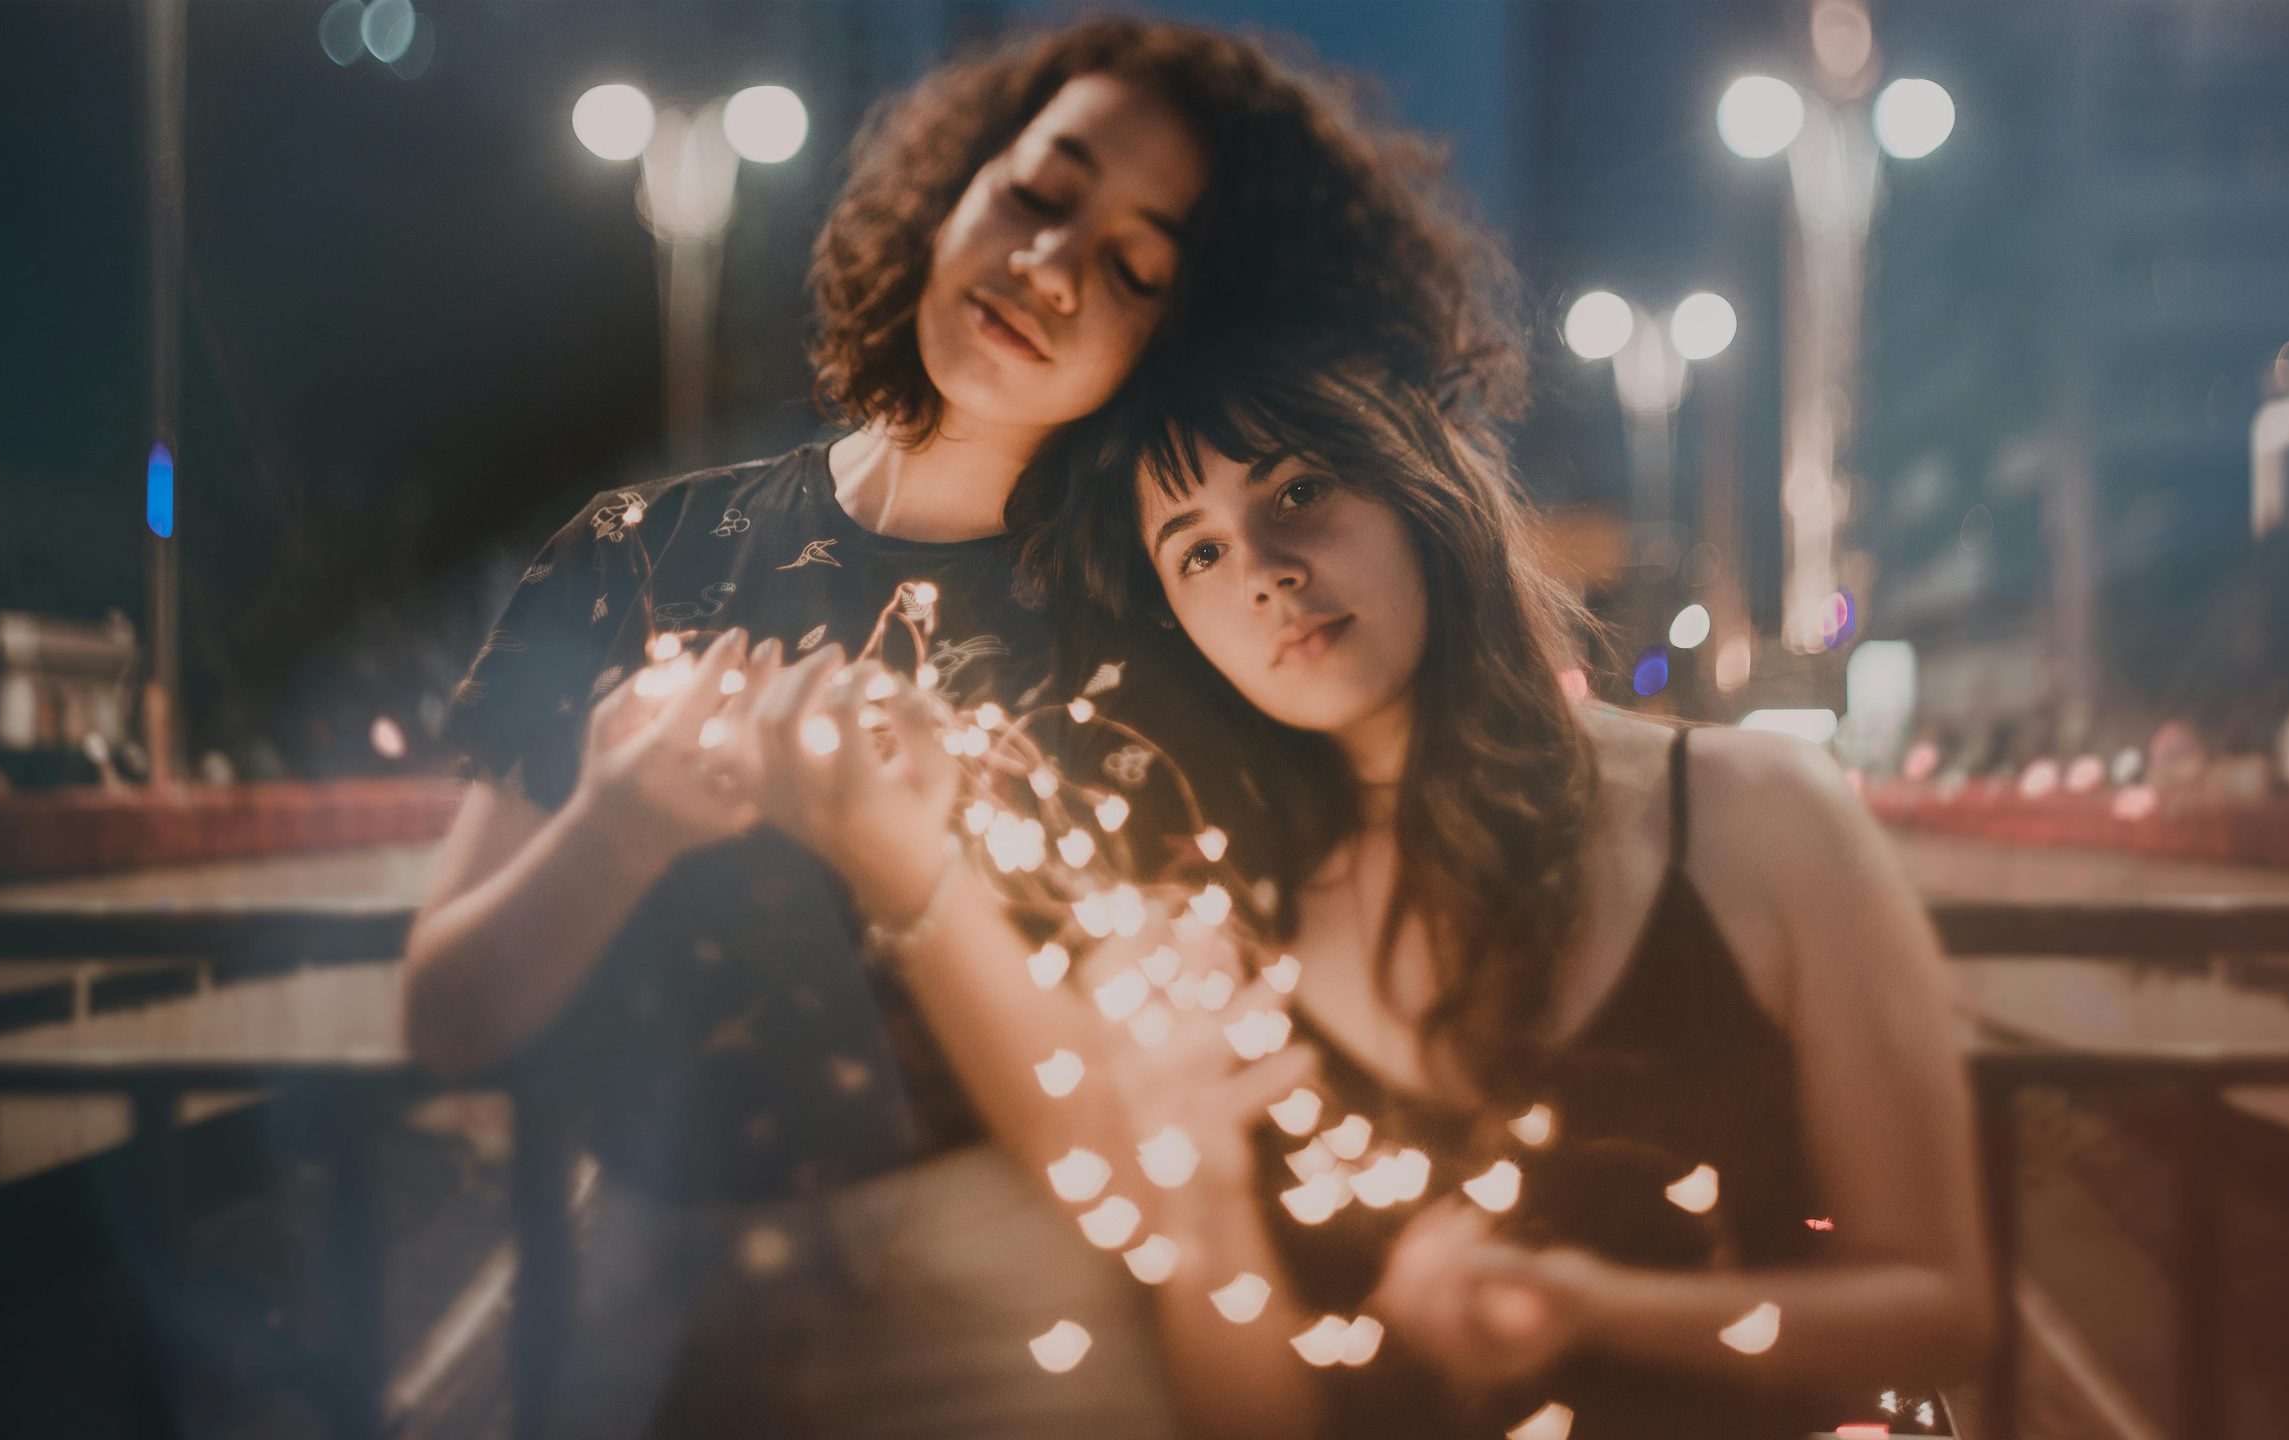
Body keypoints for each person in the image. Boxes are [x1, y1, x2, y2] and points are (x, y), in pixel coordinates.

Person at [405, 16, 1514, 1436]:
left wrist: (911, 878)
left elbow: (1129, 1162)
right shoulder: (641, 552)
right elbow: (448, 1017)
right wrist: (616, 833)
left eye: (1133, 268)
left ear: (1184, 336)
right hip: (642, 1306)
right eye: (1039, 197)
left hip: (1005, 1320)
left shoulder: (1176, 633)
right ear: (955, 189)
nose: (1047, 270)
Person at [740, 357, 1993, 1438]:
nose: (1266, 572)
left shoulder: (1756, 816)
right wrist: (1210, 1202)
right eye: (1199, 549)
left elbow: (1943, 1315)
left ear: (1423, 493)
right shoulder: (1223, 930)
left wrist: (1589, 1308)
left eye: (1298, 492)